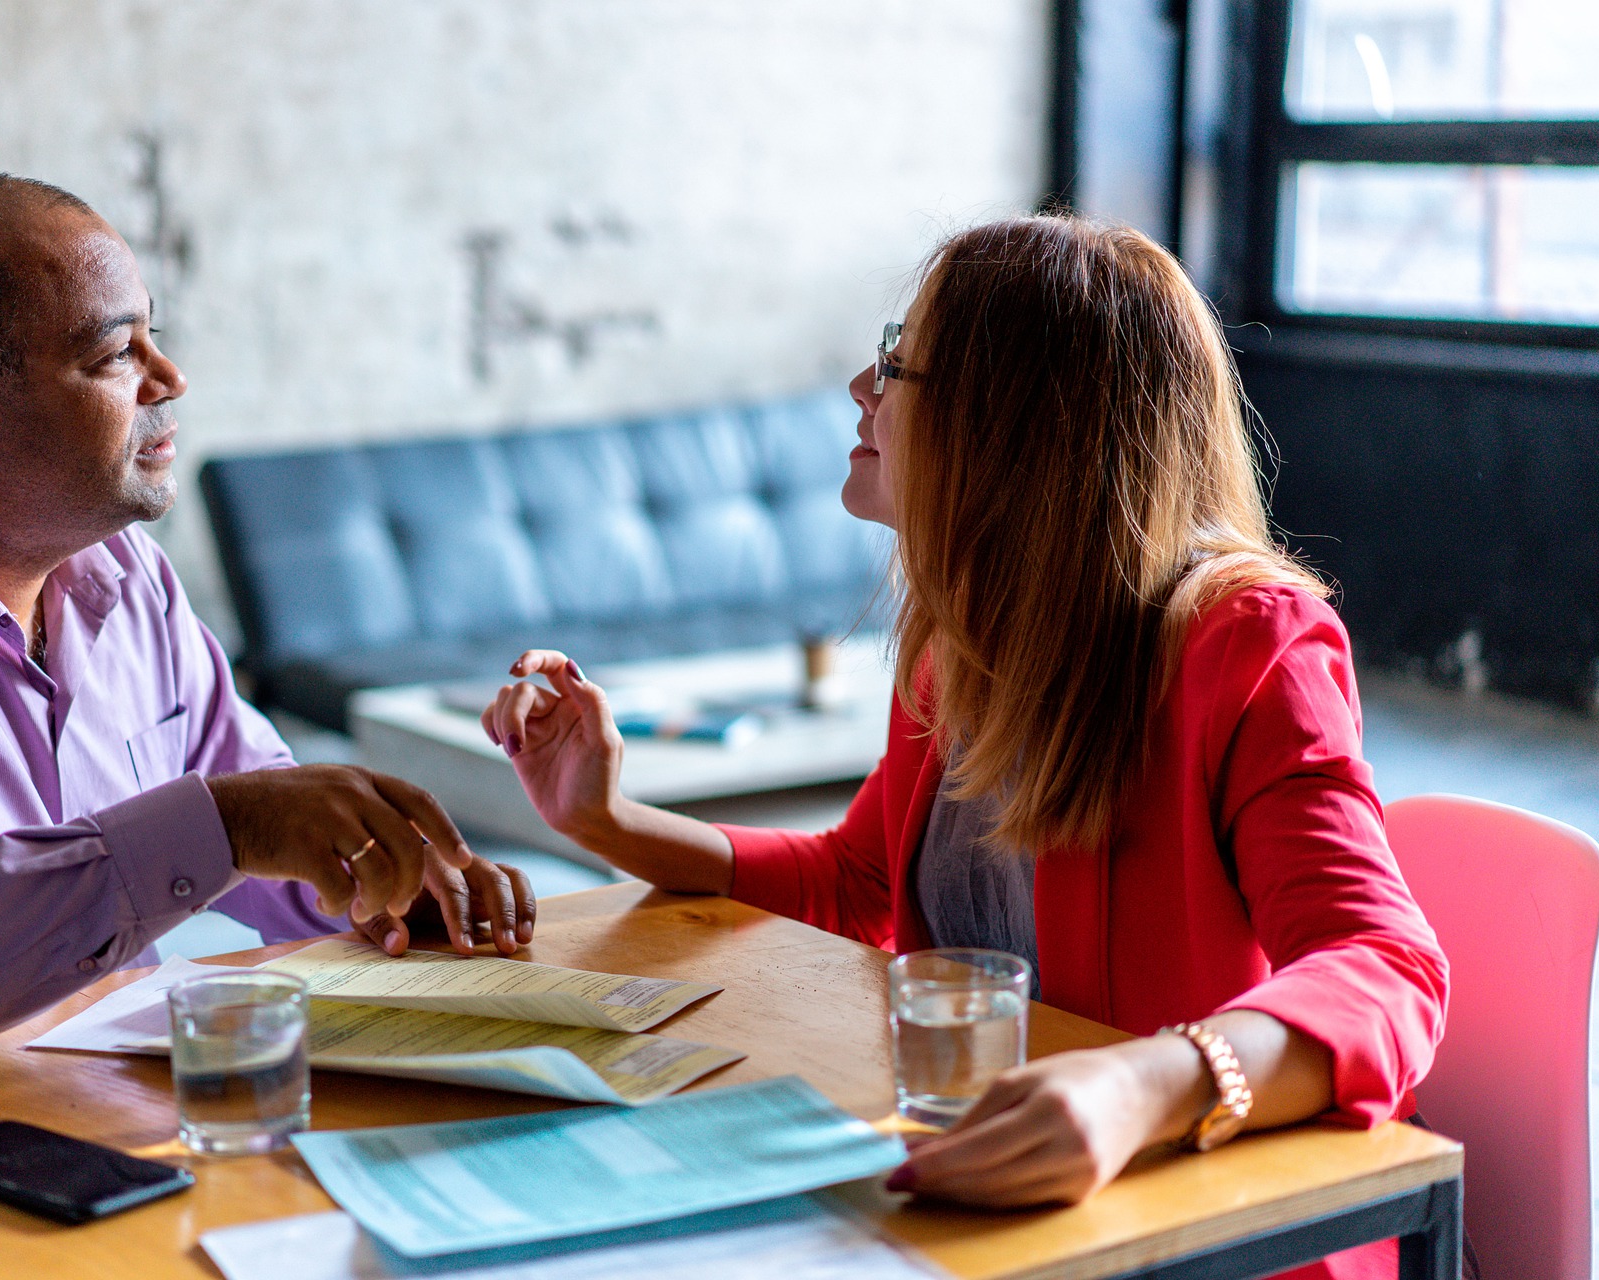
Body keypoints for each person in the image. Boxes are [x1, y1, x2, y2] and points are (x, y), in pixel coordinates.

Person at [481, 218, 1447, 1280]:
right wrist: (606, 819)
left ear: (1017, 420)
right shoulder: (960, 638)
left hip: (1199, 1228)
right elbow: (858, 883)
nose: (862, 382)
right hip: (991, 1206)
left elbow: (1385, 967)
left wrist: (1144, 1082)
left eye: (898, 360)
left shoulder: (1248, 641)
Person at [0, 174, 536, 1079]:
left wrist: (391, 883)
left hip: (96, 1124)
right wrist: (226, 828)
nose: (169, 379)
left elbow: (270, 829)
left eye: (153, 335)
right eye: (113, 355)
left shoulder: (127, 581)